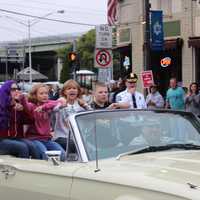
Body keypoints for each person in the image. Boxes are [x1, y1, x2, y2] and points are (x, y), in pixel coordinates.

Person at [19, 83, 65, 160]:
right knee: (45, 154)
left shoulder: (48, 105)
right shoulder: (32, 106)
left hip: (47, 139)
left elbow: (59, 102)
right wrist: (22, 98)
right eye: (41, 93)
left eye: (46, 93)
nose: (45, 95)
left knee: (63, 154)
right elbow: (26, 107)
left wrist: (44, 107)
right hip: (34, 139)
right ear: (35, 95)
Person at [53, 80, 90, 151]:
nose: (72, 90)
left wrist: (85, 105)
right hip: (61, 136)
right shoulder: (60, 101)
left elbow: (91, 114)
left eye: (74, 88)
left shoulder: (80, 104)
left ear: (78, 91)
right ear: (64, 91)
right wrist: (61, 106)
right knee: (76, 145)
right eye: (69, 88)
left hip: (77, 137)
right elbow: (53, 110)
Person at [0, 80, 30, 158]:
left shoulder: (18, 104)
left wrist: (23, 109)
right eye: (13, 89)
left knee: (32, 146)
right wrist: (9, 107)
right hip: (2, 139)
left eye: (18, 89)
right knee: (22, 147)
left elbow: (30, 121)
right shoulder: (2, 104)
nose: (16, 91)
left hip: (15, 138)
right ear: (6, 91)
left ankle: (38, 168)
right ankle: (23, 169)